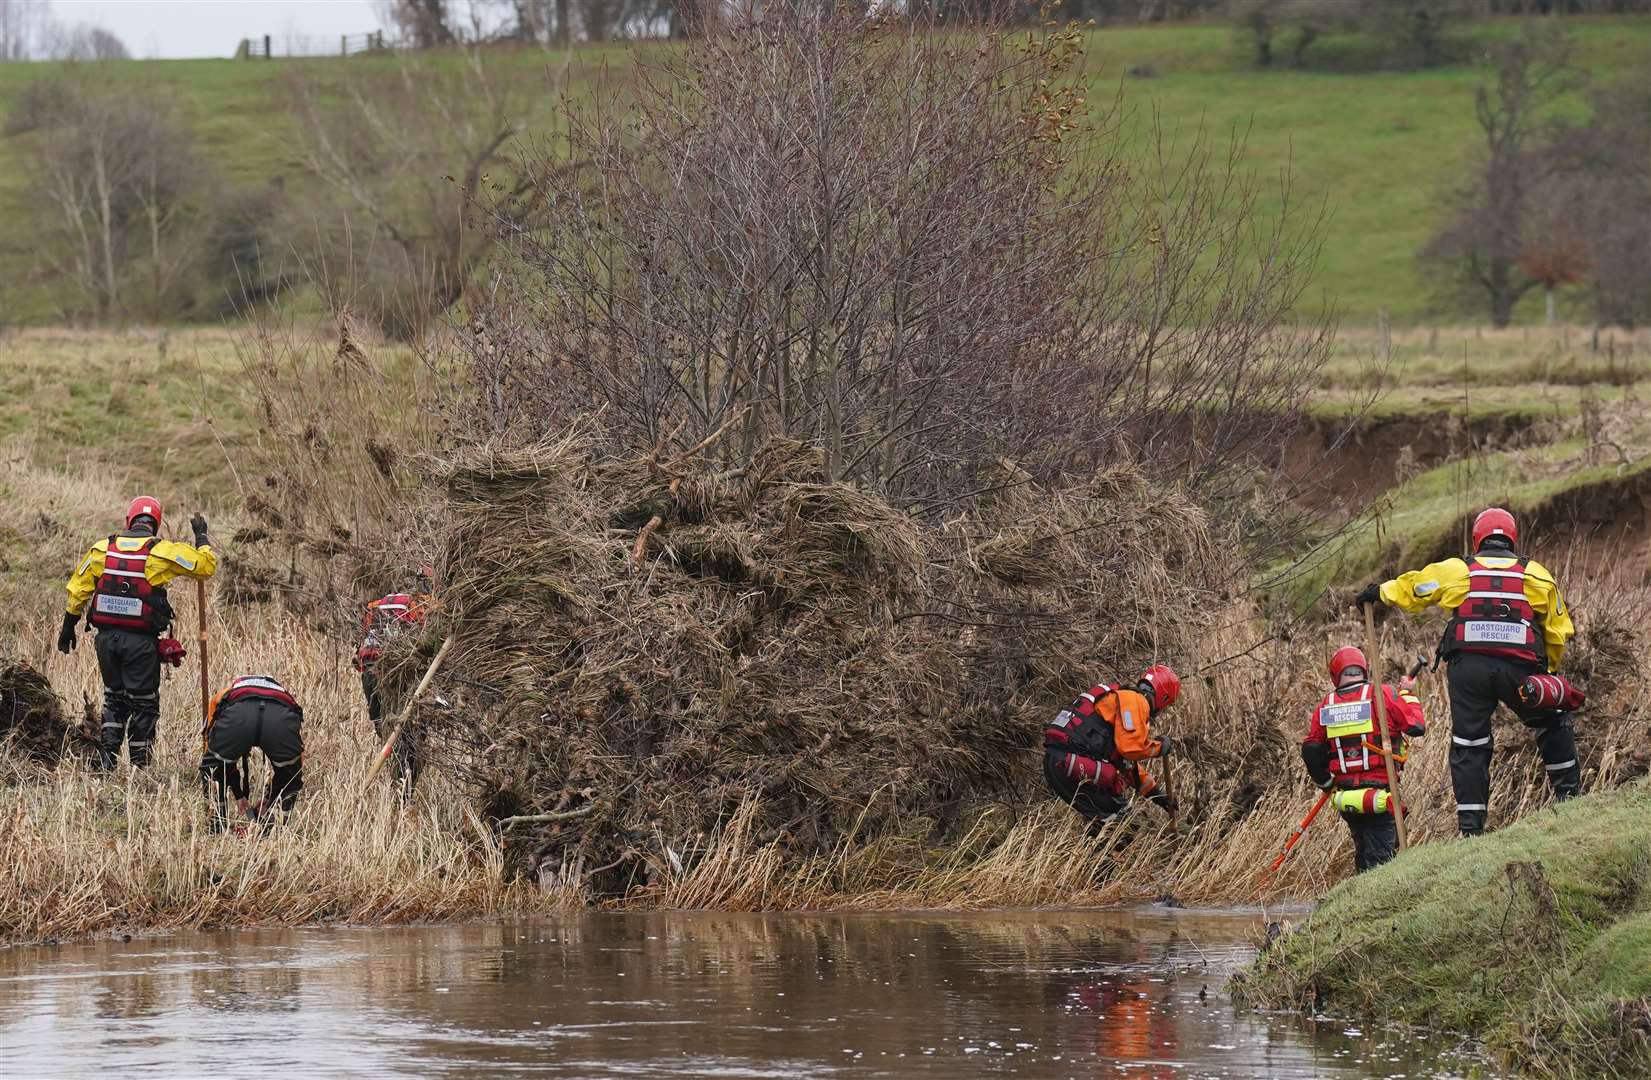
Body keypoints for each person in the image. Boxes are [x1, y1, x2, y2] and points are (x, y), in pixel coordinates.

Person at [1355, 506, 1578, 837]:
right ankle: (1570, 800)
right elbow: (1559, 631)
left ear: (1478, 539)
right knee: (1553, 723)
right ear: (1512, 538)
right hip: (1522, 672)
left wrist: (1381, 592)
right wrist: (1551, 672)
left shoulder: (1458, 570)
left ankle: (1471, 830)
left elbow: (1418, 588)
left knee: (1469, 743)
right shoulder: (1537, 575)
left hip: (1469, 671)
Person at [59, 496, 217, 771]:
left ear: (128, 521)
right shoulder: (161, 551)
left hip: (106, 641)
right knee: (144, 704)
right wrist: (202, 537)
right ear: (155, 524)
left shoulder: (101, 549)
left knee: (114, 697)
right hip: (141, 644)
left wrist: (68, 625)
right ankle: (140, 768)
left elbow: (78, 588)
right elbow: (206, 567)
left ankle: (107, 760)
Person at [1301, 645, 1426, 872]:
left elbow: (1310, 750)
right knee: (1380, 861)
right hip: (1380, 792)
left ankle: (1360, 892)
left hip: (1346, 796)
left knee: (1365, 851)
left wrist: (1326, 784)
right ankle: (1378, 900)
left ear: (1334, 675)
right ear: (1364, 670)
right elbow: (1417, 726)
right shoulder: (1384, 694)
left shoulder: (1325, 706)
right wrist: (1408, 694)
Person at [1043, 665, 1180, 832]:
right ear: (1164, 697)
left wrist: (1158, 796)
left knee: (1105, 823)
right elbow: (1131, 749)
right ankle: (1108, 852)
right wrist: (1159, 748)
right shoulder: (1136, 700)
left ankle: (1097, 851)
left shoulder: (1121, 697)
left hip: (1058, 765)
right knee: (1123, 825)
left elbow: (1128, 766)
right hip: (1070, 763)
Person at [356, 570, 432, 788]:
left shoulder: (377, 607)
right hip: (396, 675)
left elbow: (358, 654)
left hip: (369, 674)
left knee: (386, 731)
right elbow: (429, 647)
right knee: (408, 737)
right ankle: (402, 793)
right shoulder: (420, 608)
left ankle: (398, 784)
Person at [199, 674, 304, 831]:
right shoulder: (286, 696)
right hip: (279, 720)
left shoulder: (224, 694)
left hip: (238, 716)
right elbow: (294, 770)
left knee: (213, 768)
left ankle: (216, 824)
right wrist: (269, 799)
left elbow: (210, 749)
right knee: (290, 777)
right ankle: (274, 829)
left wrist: (238, 793)